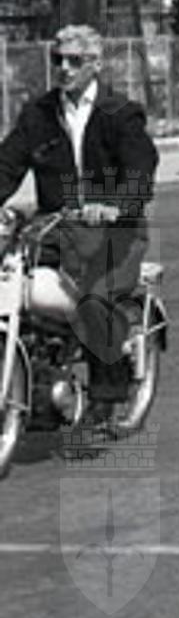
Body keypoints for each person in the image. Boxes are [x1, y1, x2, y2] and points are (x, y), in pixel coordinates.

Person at [0, 24, 159, 428]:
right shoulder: (38, 114)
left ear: (96, 64)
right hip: (55, 230)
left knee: (94, 300)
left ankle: (105, 398)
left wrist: (115, 206)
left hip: (114, 233)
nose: (65, 68)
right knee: (12, 282)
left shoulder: (120, 113)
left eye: (75, 60)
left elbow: (141, 171)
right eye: (58, 60)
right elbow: (7, 166)